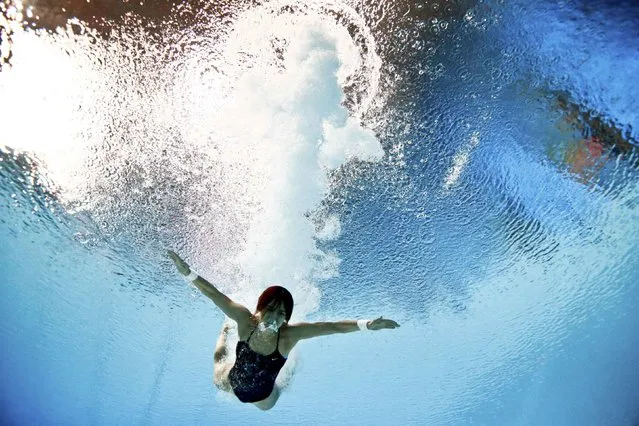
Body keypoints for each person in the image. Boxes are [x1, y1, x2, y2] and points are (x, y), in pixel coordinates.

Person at [167, 250, 400, 411]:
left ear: (286, 320)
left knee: (276, 396)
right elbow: (215, 294)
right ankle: (223, 331)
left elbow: (331, 327)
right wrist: (188, 273)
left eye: (282, 314)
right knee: (218, 360)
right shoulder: (245, 320)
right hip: (231, 381)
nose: (275, 317)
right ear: (259, 311)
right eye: (271, 310)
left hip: (264, 398)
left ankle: (286, 377)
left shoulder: (289, 335)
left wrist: (366, 324)